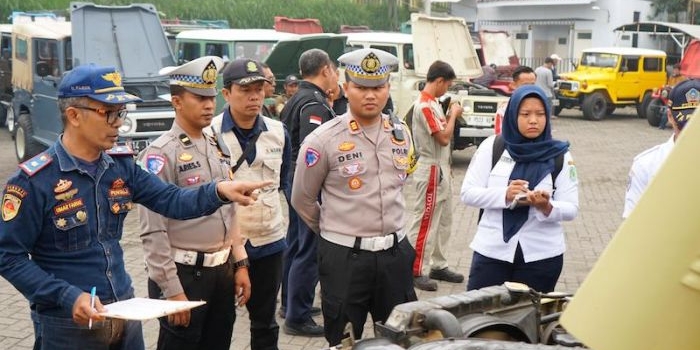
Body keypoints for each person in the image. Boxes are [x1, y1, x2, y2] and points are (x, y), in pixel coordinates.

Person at [0, 63, 268, 350]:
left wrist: (219, 191)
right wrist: (67, 296)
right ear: (74, 115)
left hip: (125, 313)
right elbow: (8, 256)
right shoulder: (34, 182)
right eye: (109, 113)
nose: (118, 122)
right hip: (69, 325)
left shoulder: (121, 165)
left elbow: (171, 200)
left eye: (121, 112)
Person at [291, 47, 417, 345]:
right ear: (345, 88)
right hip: (345, 258)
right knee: (344, 340)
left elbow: (403, 180)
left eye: (378, 87)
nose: (370, 95)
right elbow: (302, 199)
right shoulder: (323, 139)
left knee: (400, 338)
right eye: (361, 87)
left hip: (395, 255)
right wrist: (335, 230)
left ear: (388, 89)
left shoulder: (401, 133)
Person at [138, 56, 251, 350]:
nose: (209, 105)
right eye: (199, 97)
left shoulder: (216, 144)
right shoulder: (160, 155)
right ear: (176, 101)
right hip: (183, 275)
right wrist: (172, 291)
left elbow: (230, 210)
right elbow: (153, 231)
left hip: (221, 273)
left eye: (211, 97)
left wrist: (240, 263)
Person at [460, 85, 579, 293]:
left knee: (528, 320)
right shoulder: (492, 147)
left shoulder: (560, 155)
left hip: (540, 256)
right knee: (480, 316)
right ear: (513, 115)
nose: (533, 120)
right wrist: (504, 195)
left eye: (540, 114)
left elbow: (571, 208)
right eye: (525, 114)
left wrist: (547, 206)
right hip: (492, 253)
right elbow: (468, 193)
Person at [208, 58, 292, 350]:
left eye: (259, 89)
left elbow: (283, 181)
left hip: (269, 241)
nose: (255, 96)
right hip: (223, 246)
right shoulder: (208, 133)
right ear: (226, 94)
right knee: (219, 322)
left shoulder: (278, 131)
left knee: (265, 322)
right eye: (245, 90)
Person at [278, 48, 338, 337]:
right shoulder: (313, 103)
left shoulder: (297, 98)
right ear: (325, 69)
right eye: (335, 70)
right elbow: (311, 149)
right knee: (309, 248)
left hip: (293, 179)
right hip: (305, 183)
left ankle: (290, 304)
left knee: (294, 243)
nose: (336, 75)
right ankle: (297, 317)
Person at [407, 60, 465, 292]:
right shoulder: (424, 105)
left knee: (444, 220)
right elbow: (442, 138)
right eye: (447, 84)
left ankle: (438, 264)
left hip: (441, 168)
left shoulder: (432, 103)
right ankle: (415, 269)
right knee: (424, 221)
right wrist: (453, 115)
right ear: (439, 81)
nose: (447, 89)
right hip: (430, 167)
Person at [624, 79, 699, 219]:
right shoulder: (646, 165)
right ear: (670, 117)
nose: (692, 133)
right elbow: (633, 225)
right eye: (685, 126)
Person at [494, 65, 537, 135]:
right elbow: (501, 137)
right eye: (525, 85)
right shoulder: (504, 110)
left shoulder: (541, 108)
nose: (529, 88)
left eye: (532, 85)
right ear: (513, 85)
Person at [659, 64, 688, 130]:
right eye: (674, 70)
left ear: (679, 70)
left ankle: (680, 126)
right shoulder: (671, 77)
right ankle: (662, 125)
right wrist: (667, 87)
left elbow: (683, 88)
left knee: (678, 113)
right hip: (671, 97)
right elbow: (669, 85)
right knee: (667, 110)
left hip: (679, 98)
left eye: (676, 70)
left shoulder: (683, 78)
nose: (674, 71)